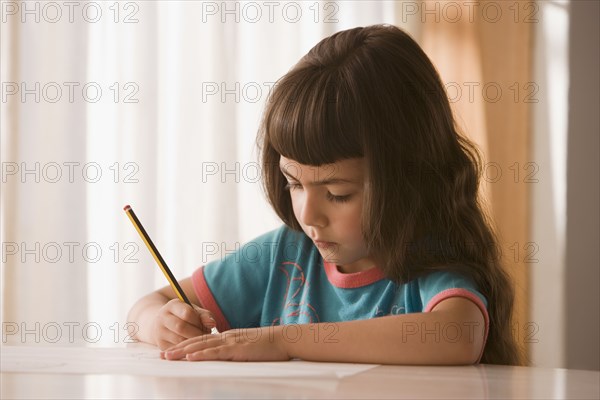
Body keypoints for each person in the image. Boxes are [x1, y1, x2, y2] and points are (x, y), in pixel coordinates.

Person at [128, 24, 521, 365]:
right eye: (294, 184)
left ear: (410, 181)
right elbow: (146, 305)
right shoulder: (283, 253)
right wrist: (158, 322)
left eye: (337, 193)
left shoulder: (424, 261)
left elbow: (457, 335)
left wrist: (284, 340)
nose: (308, 215)